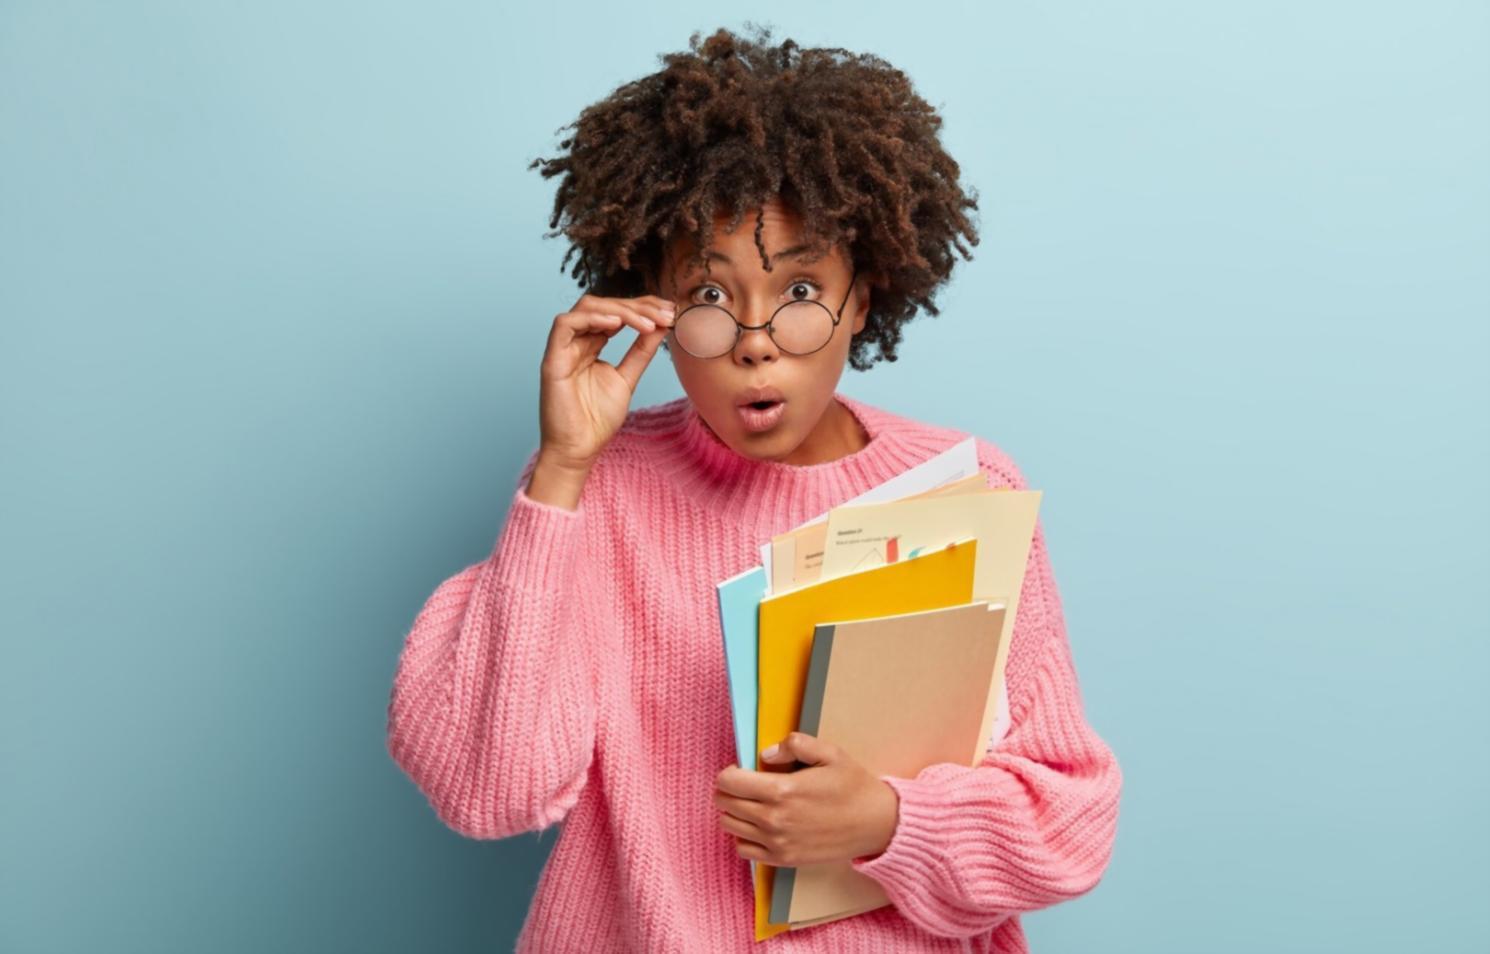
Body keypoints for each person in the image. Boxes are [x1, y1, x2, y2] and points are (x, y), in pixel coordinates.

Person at [386, 25, 1121, 953]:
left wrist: (889, 823)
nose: (755, 338)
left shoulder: (965, 492)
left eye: (803, 291)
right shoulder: (598, 494)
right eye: (709, 295)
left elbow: (1067, 821)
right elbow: (488, 789)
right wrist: (562, 472)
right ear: (650, 304)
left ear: (864, 296)